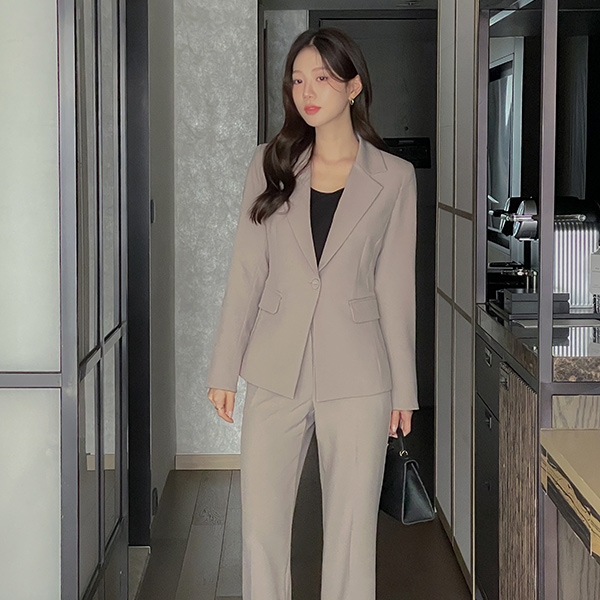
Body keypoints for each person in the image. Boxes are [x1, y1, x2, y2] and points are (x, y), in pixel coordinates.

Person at [206, 27, 419, 600]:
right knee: (261, 528)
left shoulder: (395, 178)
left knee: (351, 536)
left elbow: (395, 287)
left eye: (322, 78)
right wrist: (224, 368)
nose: (307, 91)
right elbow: (247, 271)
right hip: (276, 366)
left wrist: (404, 389)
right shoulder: (269, 164)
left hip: (360, 374)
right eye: (298, 80)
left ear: (353, 86)